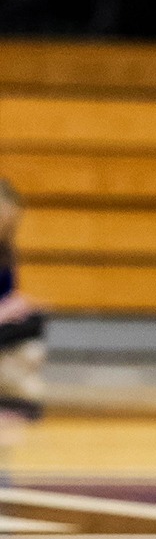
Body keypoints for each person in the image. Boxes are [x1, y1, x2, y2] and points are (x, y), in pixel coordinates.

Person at [0, 178, 47, 421]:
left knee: (34, 324)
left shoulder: (6, 253)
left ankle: (11, 387)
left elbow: (7, 296)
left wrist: (17, 305)